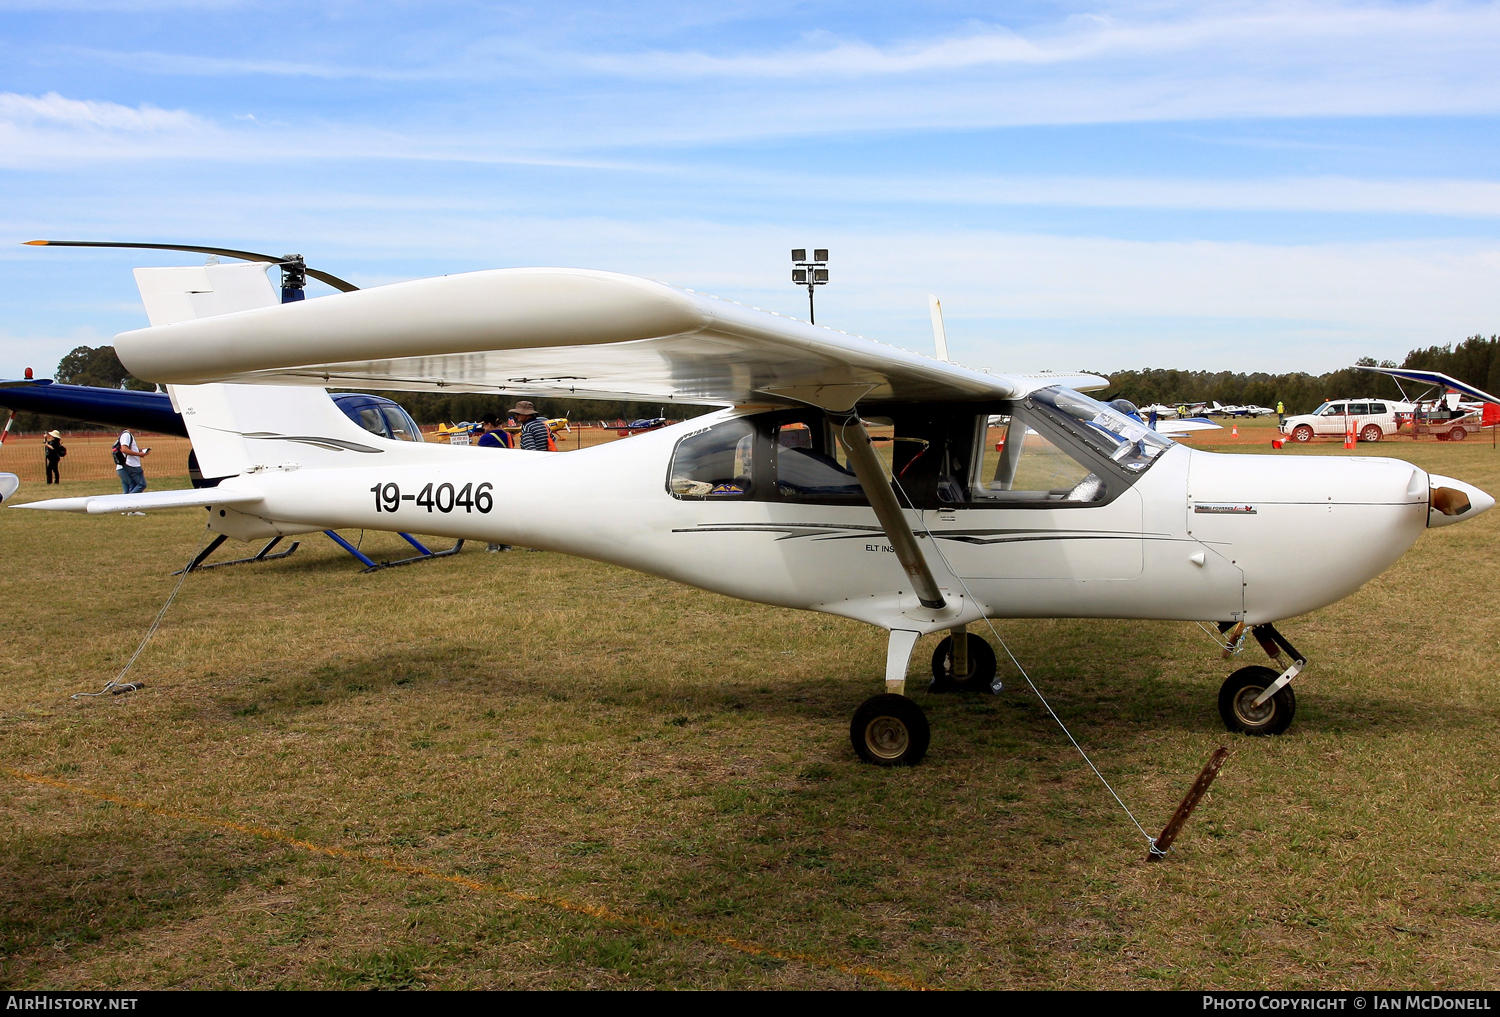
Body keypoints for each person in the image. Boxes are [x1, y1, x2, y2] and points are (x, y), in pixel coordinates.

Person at [476, 416, 513, 552]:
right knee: (505, 511)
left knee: (490, 512)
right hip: (506, 477)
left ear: (489, 424)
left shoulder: (485, 438)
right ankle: (507, 545)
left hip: (490, 478)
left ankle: (493, 546)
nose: (484, 428)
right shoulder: (509, 436)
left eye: (484, 425)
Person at [114, 429, 150, 497]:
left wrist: (140, 451)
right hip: (130, 465)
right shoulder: (127, 435)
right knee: (141, 485)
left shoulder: (126, 435)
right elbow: (124, 449)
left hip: (122, 467)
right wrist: (139, 454)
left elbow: (126, 449)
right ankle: (127, 501)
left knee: (127, 490)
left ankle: (123, 504)